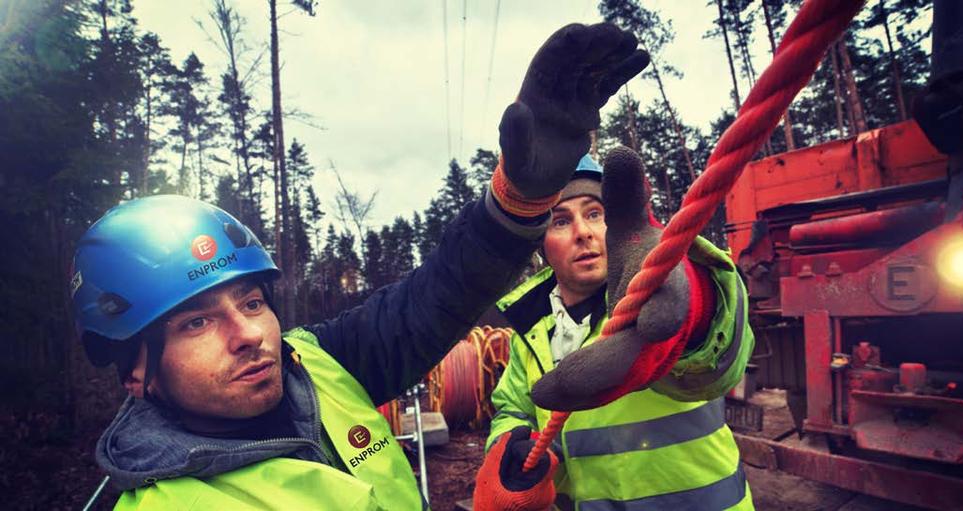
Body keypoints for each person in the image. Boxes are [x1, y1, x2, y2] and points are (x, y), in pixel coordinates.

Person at [71, 23, 650, 510]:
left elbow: (437, 297)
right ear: (136, 373)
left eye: (250, 302)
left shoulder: (317, 366)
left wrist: (518, 201)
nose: (249, 334)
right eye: (195, 322)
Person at [473, 146, 756, 511]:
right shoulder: (531, 329)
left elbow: (720, 359)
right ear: (542, 245)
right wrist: (511, 448)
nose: (583, 233)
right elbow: (513, 409)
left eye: (595, 214)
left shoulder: (653, 295)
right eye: (560, 220)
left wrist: (691, 301)